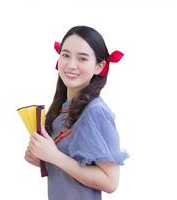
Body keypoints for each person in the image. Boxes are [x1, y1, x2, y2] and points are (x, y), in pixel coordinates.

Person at [24, 26, 129, 200]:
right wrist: (43, 160)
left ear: (99, 66)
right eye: (66, 55)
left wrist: (54, 156)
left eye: (82, 58)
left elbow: (110, 182)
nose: (71, 65)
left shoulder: (95, 112)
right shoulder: (62, 108)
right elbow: (70, 166)